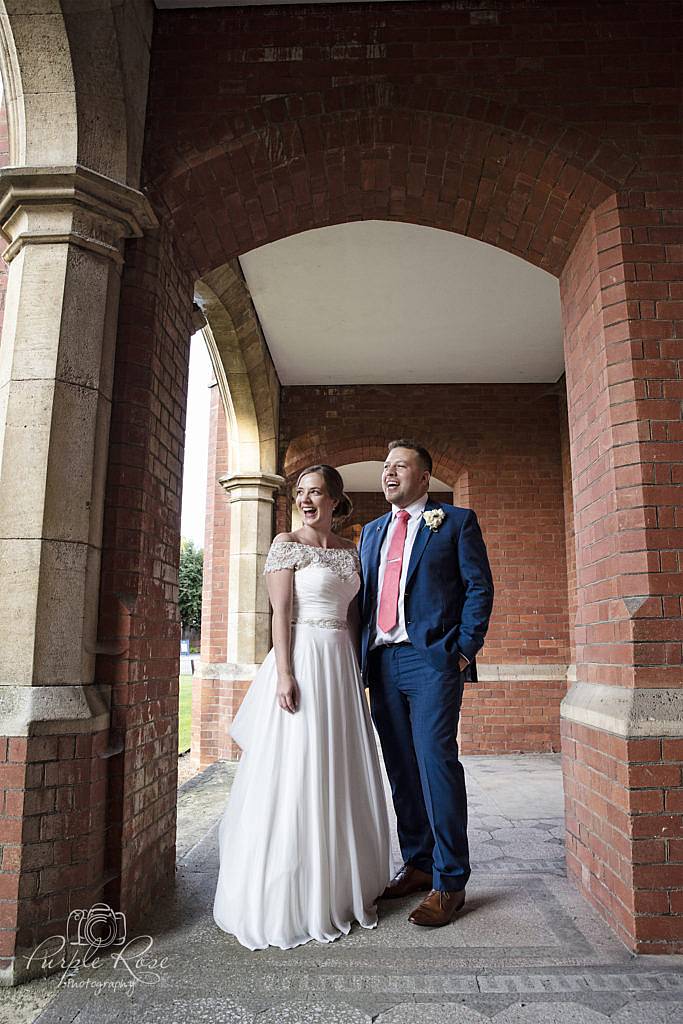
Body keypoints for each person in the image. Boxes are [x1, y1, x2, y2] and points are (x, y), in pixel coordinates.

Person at [213, 464, 394, 950]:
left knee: (339, 766)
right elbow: (281, 615)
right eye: (301, 493)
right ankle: (292, 892)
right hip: (303, 662)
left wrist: (360, 675)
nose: (307, 499)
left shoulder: (349, 553)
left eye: (316, 492)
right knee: (300, 766)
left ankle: (338, 883)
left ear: (335, 499)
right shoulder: (284, 545)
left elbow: (355, 619)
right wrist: (287, 674)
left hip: (340, 669)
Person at [358, 439, 494, 927]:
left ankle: (450, 880)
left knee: (436, 763)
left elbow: (479, 587)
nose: (389, 474)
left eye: (400, 466)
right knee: (400, 766)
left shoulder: (455, 522)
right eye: (385, 467)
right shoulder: (371, 532)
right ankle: (417, 862)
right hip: (381, 664)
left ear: (424, 477)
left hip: (432, 661)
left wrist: (462, 651)